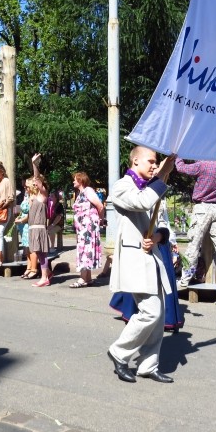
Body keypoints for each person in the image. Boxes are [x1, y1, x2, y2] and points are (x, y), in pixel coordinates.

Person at [107, 146, 175, 384]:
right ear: (135, 161)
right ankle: (119, 352)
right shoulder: (122, 187)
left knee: (158, 316)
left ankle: (148, 365)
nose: (154, 166)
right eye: (151, 161)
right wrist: (161, 177)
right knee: (150, 312)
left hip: (152, 259)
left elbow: (161, 225)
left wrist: (158, 237)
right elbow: (143, 203)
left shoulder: (148, 187)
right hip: (135, 261)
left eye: (156, 162)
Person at [110, 197, 184, 331]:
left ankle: (164, 317)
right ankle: (133, 313)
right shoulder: (134, 191)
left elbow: (163, 220)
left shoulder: (160, 195)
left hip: (157, 242)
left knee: (163, 280)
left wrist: (165, 238)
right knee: (137, 280)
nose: (154, 174)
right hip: (139, 243)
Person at [175, 158, 216, 288]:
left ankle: (185, 279)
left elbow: (181, 168)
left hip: (202, 209)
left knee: (193, 246)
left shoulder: (201, 165)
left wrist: (178, 157)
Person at [69, 172, 103, 288]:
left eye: (75, 179)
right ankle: (87, 278)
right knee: (85, 249)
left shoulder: (88, 190)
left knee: (84, 250)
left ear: (81, 180)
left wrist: (100, 219)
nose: (73, 181)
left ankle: (82, 278)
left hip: (88, 227)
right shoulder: (81, 193)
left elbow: (100, 205)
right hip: (83, 228)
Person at [30, 154, 52, 287]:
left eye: (36, 181)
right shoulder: (35, 196)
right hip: (33, 228)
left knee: (42, 254)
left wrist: (34, 164)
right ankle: (47, 272)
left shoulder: (43, 194)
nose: (33, 182)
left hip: (39, 228)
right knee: (38, 253)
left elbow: (37, 178)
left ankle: (44, 278)